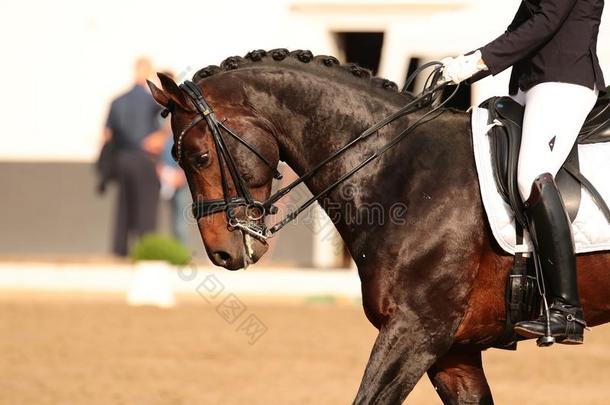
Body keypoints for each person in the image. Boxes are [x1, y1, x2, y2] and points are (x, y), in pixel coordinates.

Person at [441, 0, 605, 344]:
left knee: (531, 174)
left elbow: (547, 21)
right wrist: (467, 63)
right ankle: (514, 295)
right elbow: (519, 26)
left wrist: (481, 60)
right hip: (528, 84)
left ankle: (566, 310)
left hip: (564, 79)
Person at [103, 57, 167, 256]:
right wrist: (160, 137)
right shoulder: (151, 101)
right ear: (148, 72)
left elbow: (106, 134)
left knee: (123, 206)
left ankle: (119, 251)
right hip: (144, 158)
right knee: (147, 206)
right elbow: (171, 119)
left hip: (122, 158)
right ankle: (145, 250)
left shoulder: (117, 101)